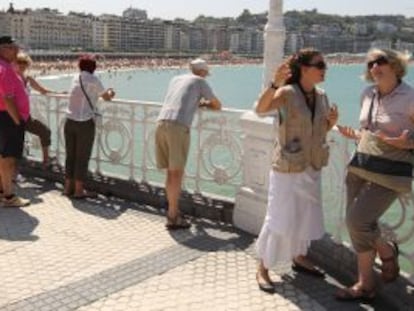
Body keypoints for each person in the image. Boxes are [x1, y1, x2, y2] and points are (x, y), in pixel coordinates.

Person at [254, 48, 339, 292]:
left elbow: (318, 128)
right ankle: (263, 267)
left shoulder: (321, 96)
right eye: (319, 65)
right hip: (287, 168)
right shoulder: (287, 93)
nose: (324, 69)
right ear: (304, 69)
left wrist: (330, 123)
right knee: (278, 216)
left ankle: (299, 257)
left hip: (312, 165)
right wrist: (273, 84)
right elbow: (261, 109)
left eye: (324, 65)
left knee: (305, 215)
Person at [335, 48, 414, 301]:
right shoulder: (367, 94)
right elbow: (369, 132)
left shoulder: (410, 97)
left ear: (394, 64)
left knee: (357, 222)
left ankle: (385, 254)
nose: (374, 67)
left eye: (380, 61)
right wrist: (355, 135)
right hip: (362, 165)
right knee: (356, 224)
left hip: (390, 170)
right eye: (370, 63)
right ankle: (366, 283)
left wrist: (405, 143)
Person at [155, 58, 222, 229]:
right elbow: (217, 105)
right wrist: (204, 103)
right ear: (202, 72)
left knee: (170, 173)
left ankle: (173, 211)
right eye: (206, 73)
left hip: (161, 123)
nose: (206, 76)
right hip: (178, 126)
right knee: (176, 173)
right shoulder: (200, 81)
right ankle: (172, 217)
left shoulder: (175, 79)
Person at [63, 54, 115, 198]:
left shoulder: (75, 77)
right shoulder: (94, 79)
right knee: (82, 156)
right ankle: (79, 190)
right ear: (93, 67)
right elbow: (106, 97)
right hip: (84, 122)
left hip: (69, 120)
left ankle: (67, 188)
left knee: (70, 155)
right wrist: (111, 92)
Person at [14, 52, 66, 167]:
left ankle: (45, 160)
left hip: (25, 116)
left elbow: (42, 90)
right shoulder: (11, 78)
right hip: (13, 116)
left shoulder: (28, 79)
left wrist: (59, 93)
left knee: (44, 131)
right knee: (13, 144)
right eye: (19, 62)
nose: (22, 65)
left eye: (25, 63)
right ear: (15, 63)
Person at [0, 36, 31, 207]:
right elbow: (8, 98)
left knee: (2, 157)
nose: (17, 50)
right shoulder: (4, 69)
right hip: (8, 118)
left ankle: (3, 192)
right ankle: (9, 197)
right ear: (3, 49)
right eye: (13, 47)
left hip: (5, 117)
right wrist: (17, 120)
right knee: (8, 159)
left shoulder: (6, 66)